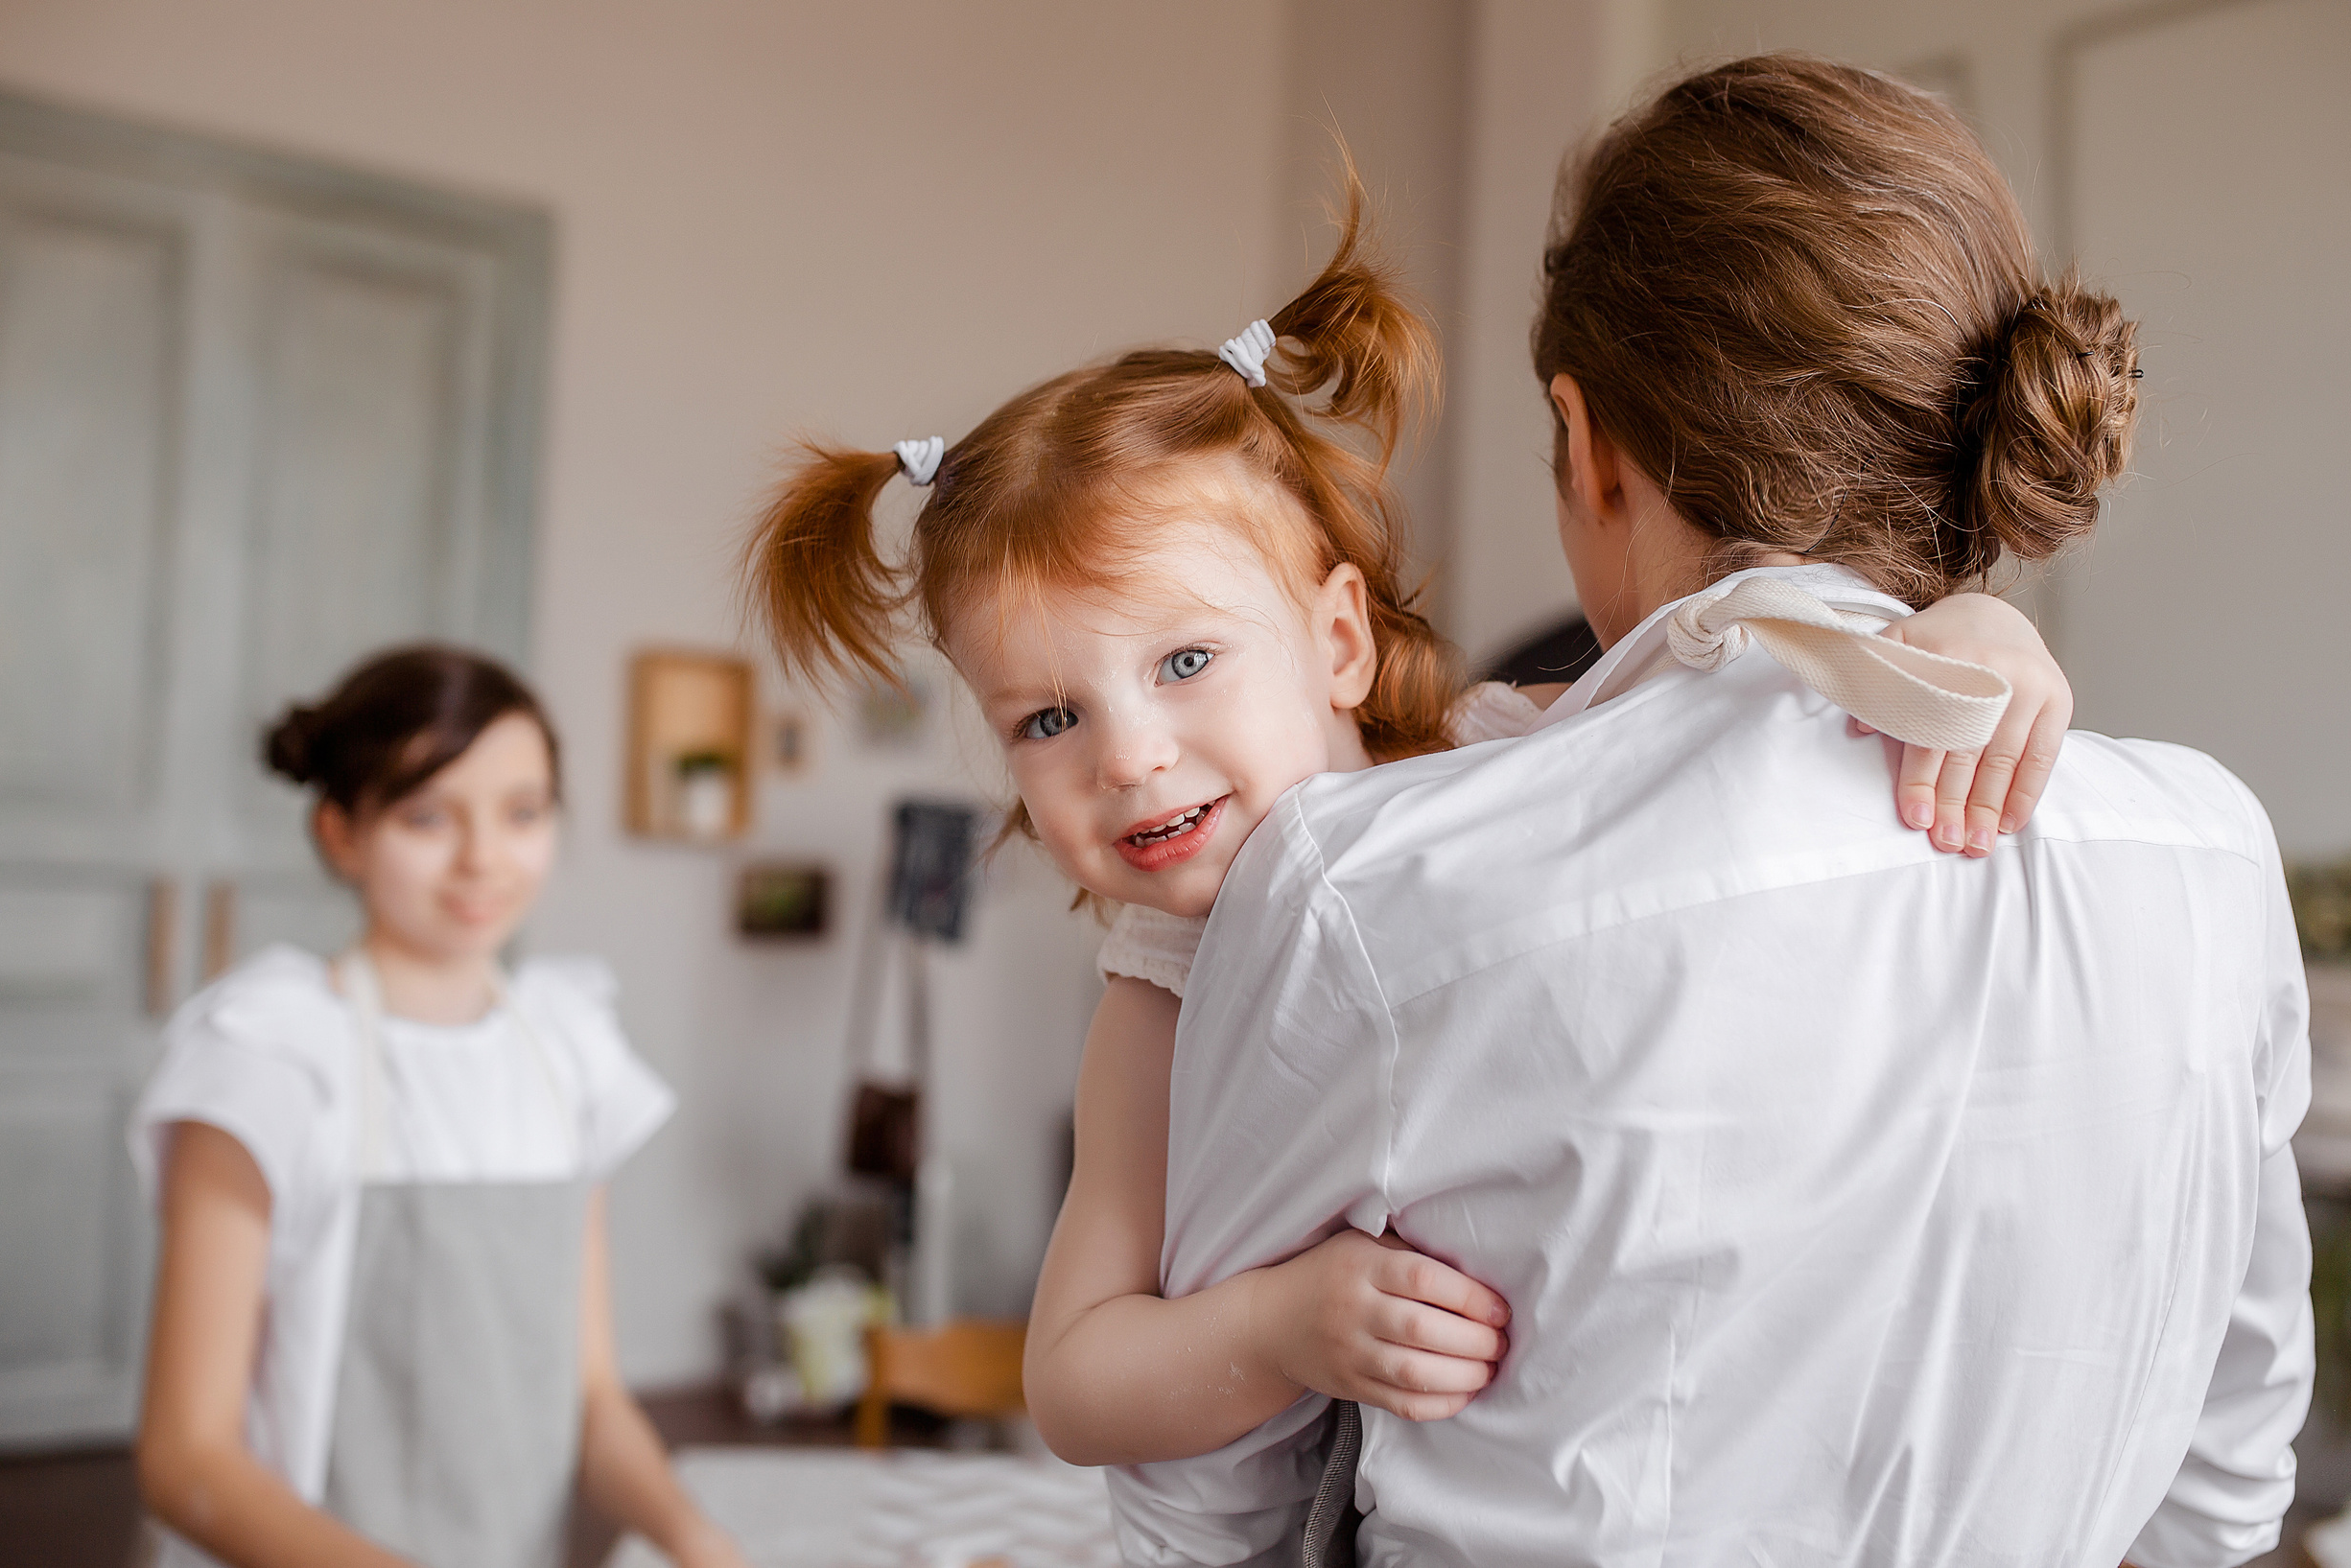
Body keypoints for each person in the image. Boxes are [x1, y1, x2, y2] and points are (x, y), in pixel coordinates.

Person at [1107, 54, 2315, 1568]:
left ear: (1588, 440)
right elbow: (2218, 1495)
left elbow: (1208, 1517)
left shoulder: (1366, 881)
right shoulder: (2203, 851)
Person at [744, 178, 2074, 1473]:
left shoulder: (1504, 753)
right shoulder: (1155, 997)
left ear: (1334, 638)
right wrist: (1281, 1324)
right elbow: (1075, 1377)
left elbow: (1753, 691)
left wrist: (1961, 639)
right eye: (1047, 720)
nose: (1128, 756)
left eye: (1186, 663)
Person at [130, 647, 747, 1568]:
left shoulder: (568, 1051)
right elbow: (186, 1459)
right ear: (341, 832)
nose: (483, 858)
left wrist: (689, 1533)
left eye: (523, 812)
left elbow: (591, 1397)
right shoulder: (266, 1063)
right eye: (428, 816)